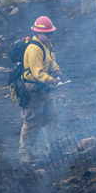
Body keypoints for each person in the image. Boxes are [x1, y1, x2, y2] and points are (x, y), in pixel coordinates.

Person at [19, 16, 63, 163]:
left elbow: (51, 62)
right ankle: (25, 154)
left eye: (51, 33)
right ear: (38, 33)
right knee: (32, 122)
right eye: (47, 33)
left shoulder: (47, 45)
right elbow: (37, 72)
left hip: (43, 89)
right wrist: (50, 80)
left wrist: (56, 71)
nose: (50, 36)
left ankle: (55, 150)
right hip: (33, 89)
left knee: (52, 117)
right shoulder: (34, 49)